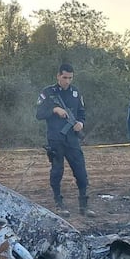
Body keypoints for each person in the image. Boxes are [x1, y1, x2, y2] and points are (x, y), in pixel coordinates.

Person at [36, 63, 95, 218]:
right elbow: (39, 114)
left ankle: (84, 205)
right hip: (55, 138)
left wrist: (80, 123)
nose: (67, 81)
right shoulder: (48, 92)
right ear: (58, 76)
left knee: (81, 171)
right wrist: (54, 110)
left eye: (70, 78)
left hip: (72, 139)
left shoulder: (76, 92)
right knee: (57, 171)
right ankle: (59, 203)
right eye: (64, 77)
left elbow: (82, 112)